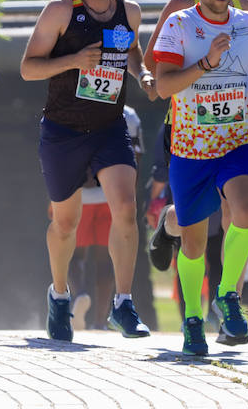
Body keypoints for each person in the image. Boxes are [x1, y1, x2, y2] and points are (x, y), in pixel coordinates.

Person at [20, 0, 154, 342]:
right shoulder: (61, 10)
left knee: (126, 209)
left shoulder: (128, 11)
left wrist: (143, 73)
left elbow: (132, 51)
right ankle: (59, 296)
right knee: (65, 223)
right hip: (63, 130)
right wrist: (74, 61)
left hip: (109, 127)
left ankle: (123, 303)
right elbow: (28, 68)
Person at [153, 0, 248, 355]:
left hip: (237, 141)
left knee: (243, 208)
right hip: (190, 147)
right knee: (192, 244)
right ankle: (192, 319)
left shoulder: (247, 23)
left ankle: (227, 295)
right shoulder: (179, 25)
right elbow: (164, 86)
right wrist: (206, 63)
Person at [70, 105, 145, 330]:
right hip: (111, 197)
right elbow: (136, 155)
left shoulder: (76, 108)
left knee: (75, 255)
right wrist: (128, 193)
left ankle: (79, 296)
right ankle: (100, 321)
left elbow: (64, 153)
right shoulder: (130, 115)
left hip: (80, 193)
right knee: (105, 259)